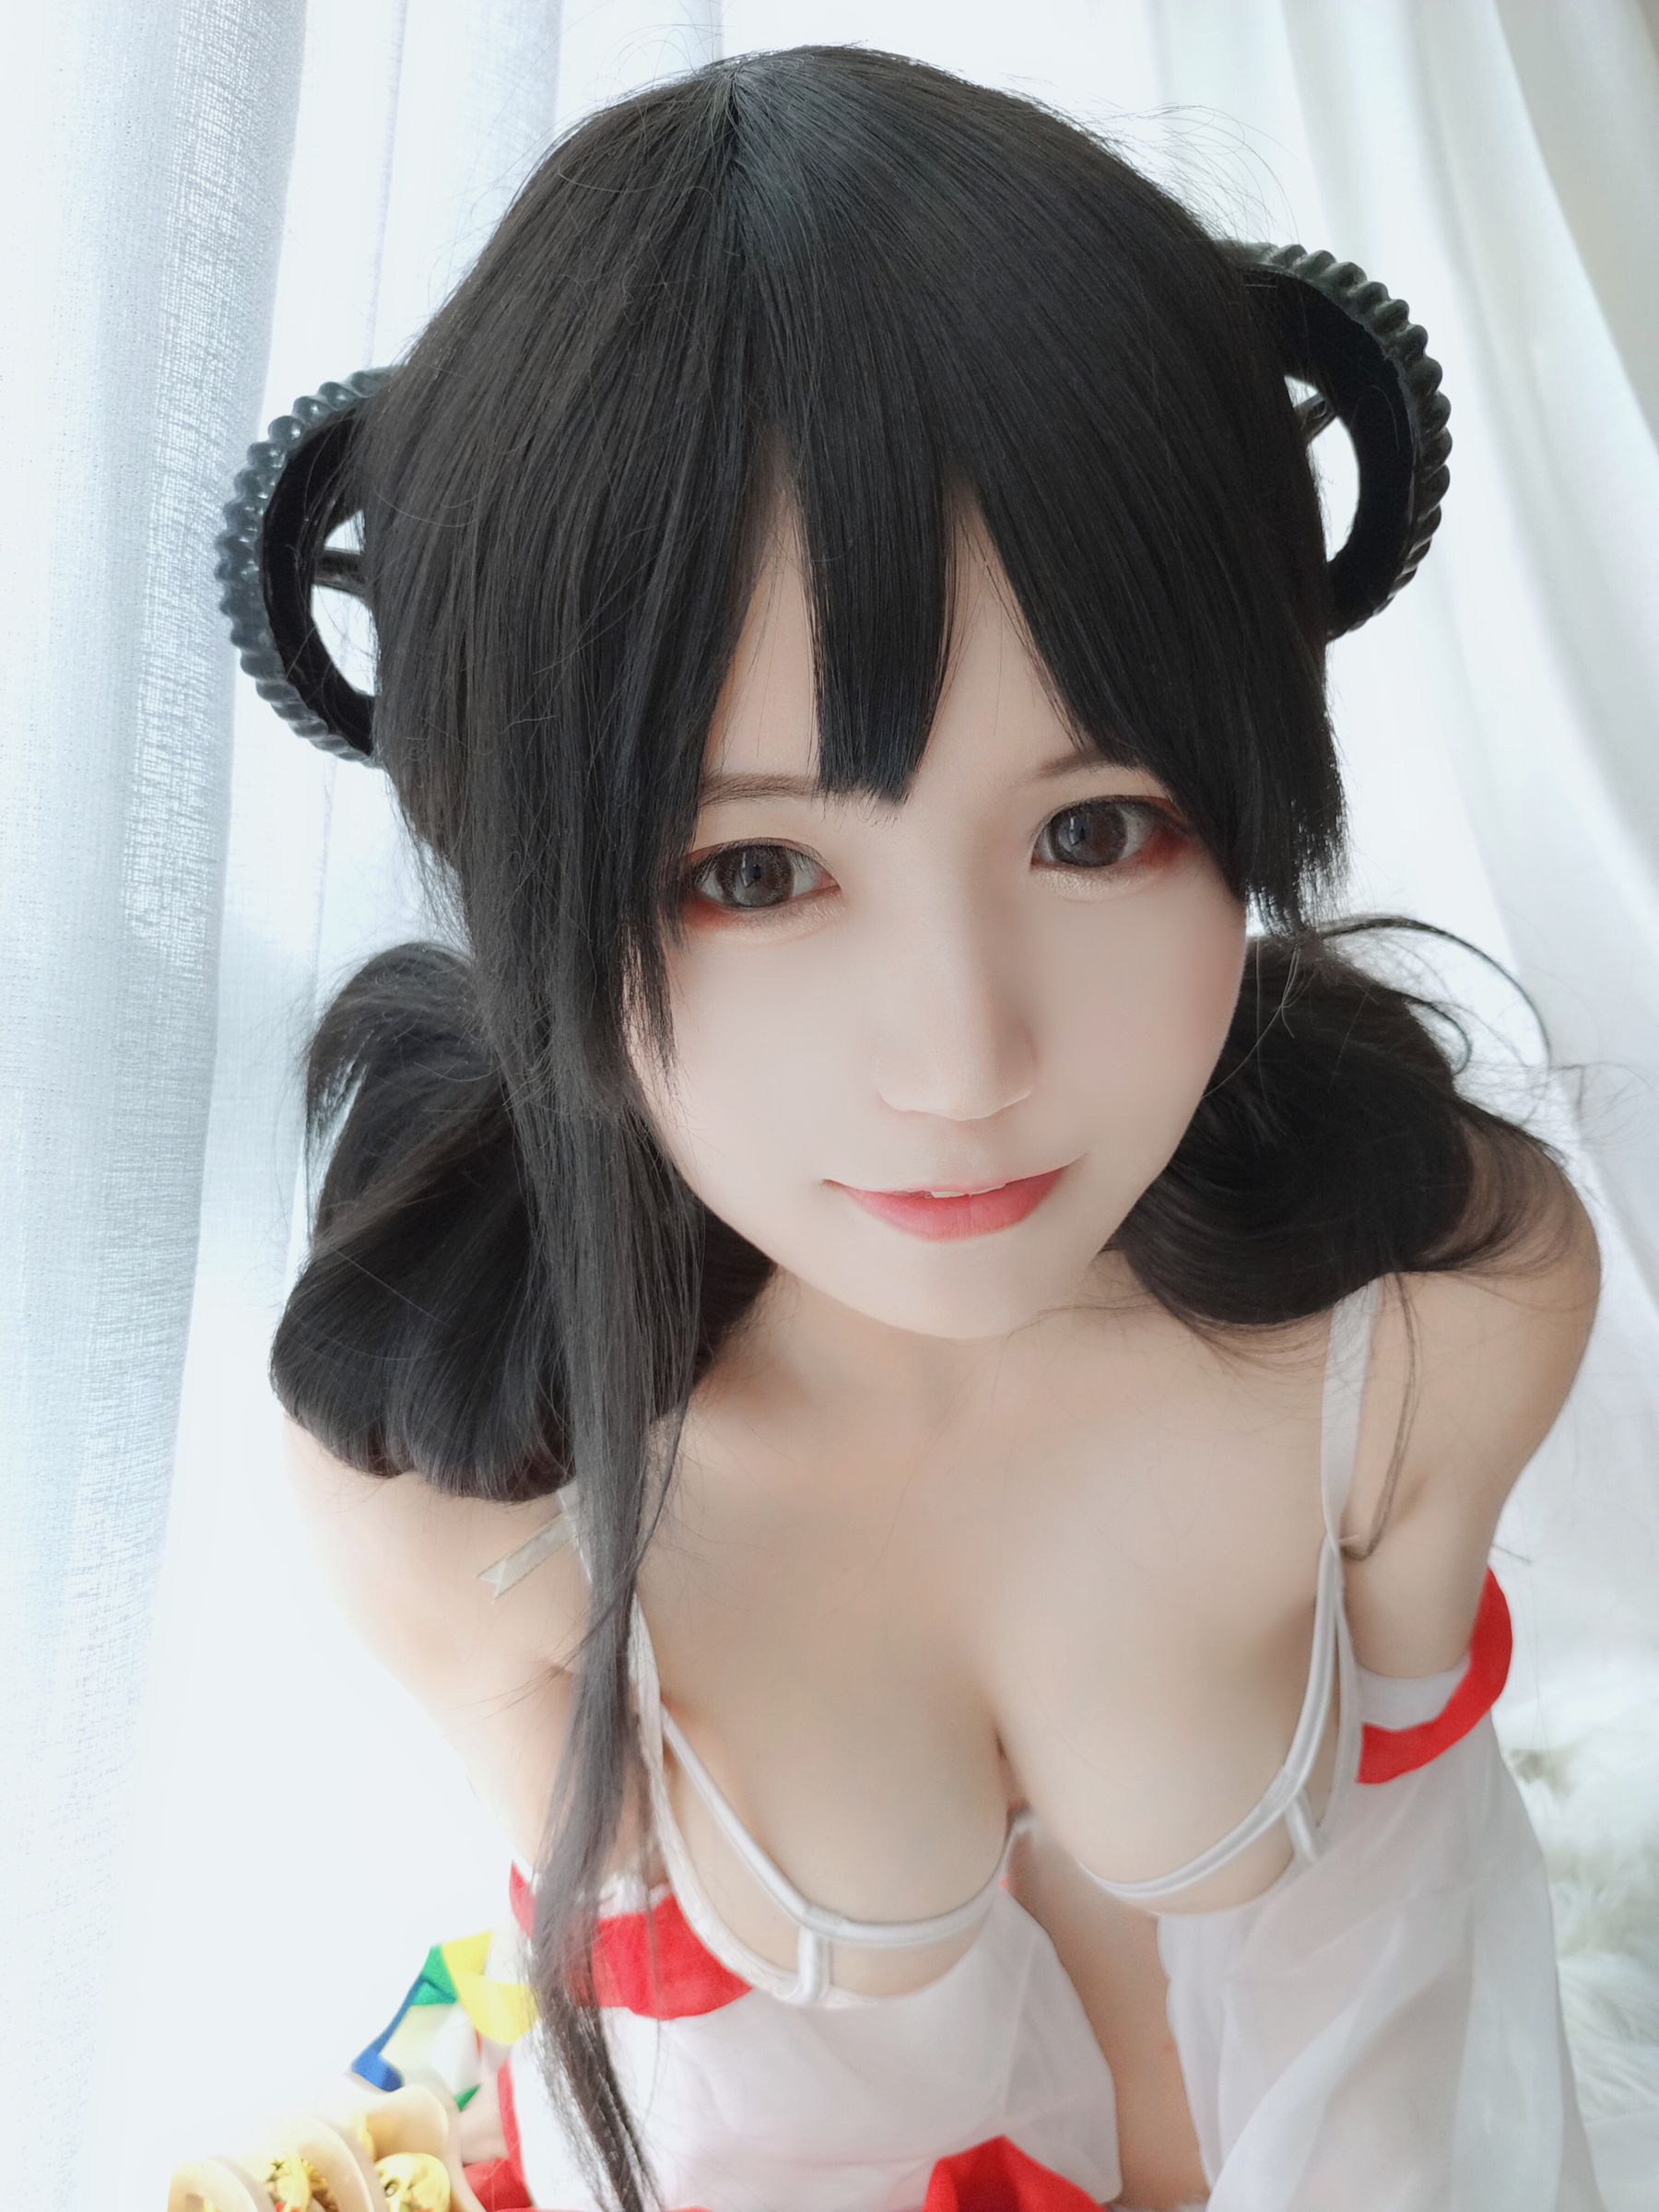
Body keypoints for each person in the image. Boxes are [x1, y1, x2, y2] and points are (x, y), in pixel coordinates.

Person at [211, 41, 1647, 2212]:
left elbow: (1421, 1989)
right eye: (755, 871)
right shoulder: (462, 1496)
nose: (965, 1060)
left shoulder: (1441, 1320)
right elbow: (664, 2119)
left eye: (1096, 828)